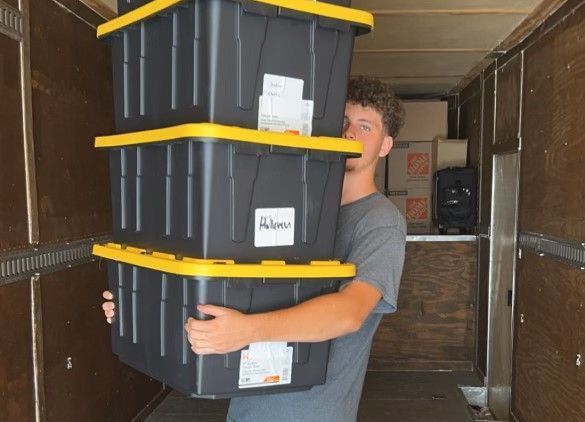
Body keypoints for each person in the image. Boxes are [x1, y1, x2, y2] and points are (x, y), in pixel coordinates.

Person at [102, 76, 406, 422]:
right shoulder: (300, 208)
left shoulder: (381, 222)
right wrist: (140, 307)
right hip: (248, 407)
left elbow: (350, 312)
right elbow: (231, 282)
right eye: (343, 122)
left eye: (365, 126)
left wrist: (247, 330)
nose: (349, 133)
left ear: (385, 145)